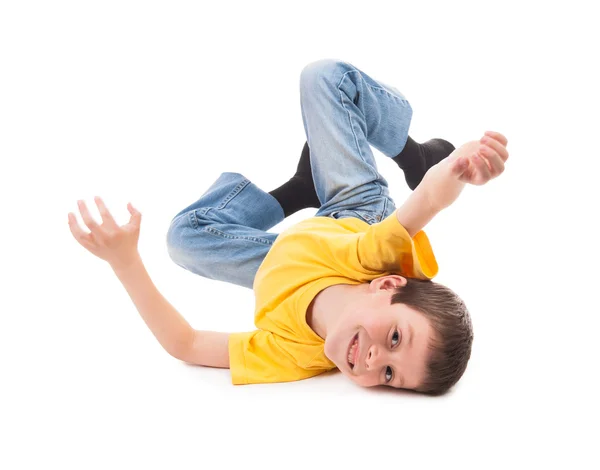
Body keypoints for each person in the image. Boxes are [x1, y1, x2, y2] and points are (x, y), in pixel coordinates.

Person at [68, 59, 509, 396]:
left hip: (279, 266)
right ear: (386, 285)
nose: (375, 361)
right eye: (395, 337)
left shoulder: (294, 354)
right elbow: (429, 201)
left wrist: (125, 263)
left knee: (183, 238)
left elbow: (186, 344)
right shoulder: (371, 259)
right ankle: (414, 155)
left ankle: (297, 191)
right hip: (355, 214)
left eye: (390, 376)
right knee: (323, 78)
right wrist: (459, 165)